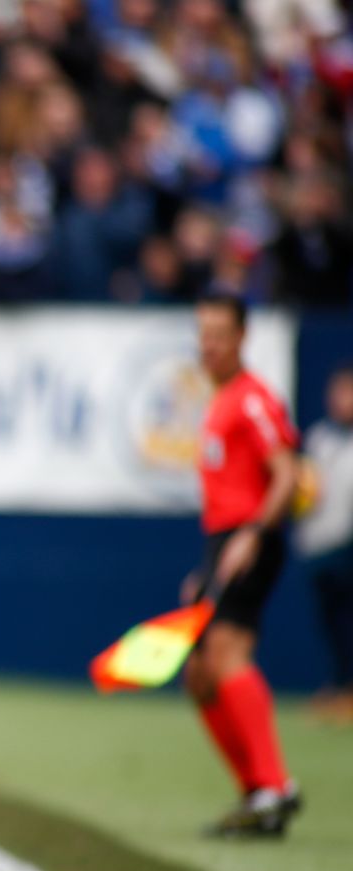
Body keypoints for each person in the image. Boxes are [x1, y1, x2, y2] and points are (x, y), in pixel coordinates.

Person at [181, 292, 300, 836]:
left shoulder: (253, 398)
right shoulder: (222, 398)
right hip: (223, 542)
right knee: (199, 675)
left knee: (227, 652)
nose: (209, 345)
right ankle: (258, 790)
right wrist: (205, 568)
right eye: (203, 333)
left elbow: (287, 474)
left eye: (219, 334)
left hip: (252, 537)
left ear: (241, 338)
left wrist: (252, 534)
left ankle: (273, 788)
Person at [295, 365, 353, 724]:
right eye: (338, 391)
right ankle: (339, 686)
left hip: (349, 546)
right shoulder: (318, 439)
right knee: (330, 621)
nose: (343, 399)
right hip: (319, 544)